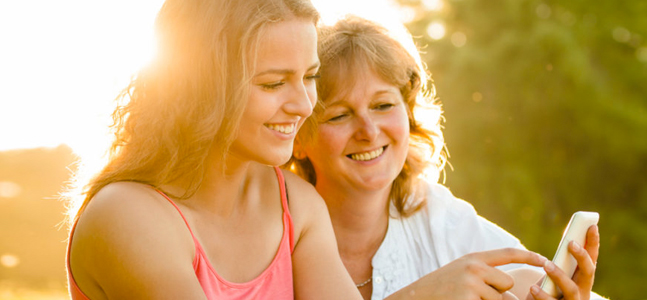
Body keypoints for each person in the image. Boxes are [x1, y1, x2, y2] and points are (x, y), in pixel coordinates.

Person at [288, 16, 604, 300]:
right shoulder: (273, 229)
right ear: (298, 137)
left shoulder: (442, 221)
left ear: (409, 118)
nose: (368, 132)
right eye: (340, 115)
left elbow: (528, 276)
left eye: (383, 106)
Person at [64, 0, 363, 299]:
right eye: (273, 83)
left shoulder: (297, 206)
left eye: (310, 77)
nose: (303, 105)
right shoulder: (126, 215)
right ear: (200, 85)